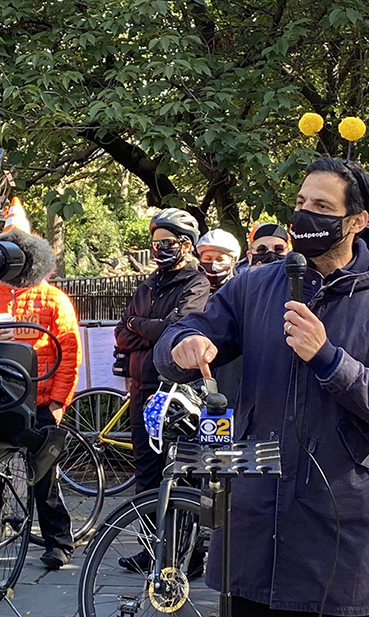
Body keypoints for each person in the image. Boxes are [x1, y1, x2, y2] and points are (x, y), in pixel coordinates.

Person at [154, 157, 369, 617]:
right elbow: (183, 333)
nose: (304, 214)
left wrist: (329, 358)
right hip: (252, 523)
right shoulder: (253, 286)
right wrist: (183, 344)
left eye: (321, 205)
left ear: (357, 221)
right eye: (301, 201)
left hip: (333, 533)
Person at [0, 223, 81, 571]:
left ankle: (58, 541)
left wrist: (58, 403)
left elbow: (68, 353)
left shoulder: (55, 299)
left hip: (38, 403)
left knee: (44, 477)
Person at [113, 208, 209, 571]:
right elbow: (121, 335)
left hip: (177, 392)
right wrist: (144, 328)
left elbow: (176, 329)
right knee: (147, 472)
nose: (158, 249)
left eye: (166, 243)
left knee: (186, 471)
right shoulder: (147, 284)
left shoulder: (196, 284)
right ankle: (152, 551)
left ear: (186, 245)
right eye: (154, 243)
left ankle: (192, 553)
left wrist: (138, 325)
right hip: (141, 390)